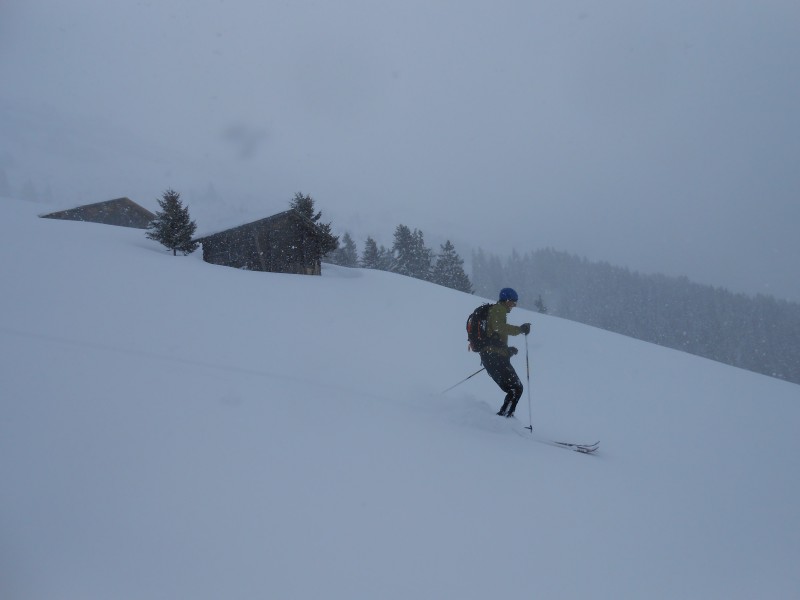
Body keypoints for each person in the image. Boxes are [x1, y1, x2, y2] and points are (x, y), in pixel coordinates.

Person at [480, 287, 531, 417]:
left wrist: (507, 351)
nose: (514, 305)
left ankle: (505, 418)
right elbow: (499, 327)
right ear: (507, 300)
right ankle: (504, 419)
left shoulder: (497, 311)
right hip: (493, 357)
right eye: (513, 302)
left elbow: (494, 335)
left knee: (514, 389)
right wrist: (519, 329)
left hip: (493, 356)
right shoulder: (498, 309)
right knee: (516, 388)